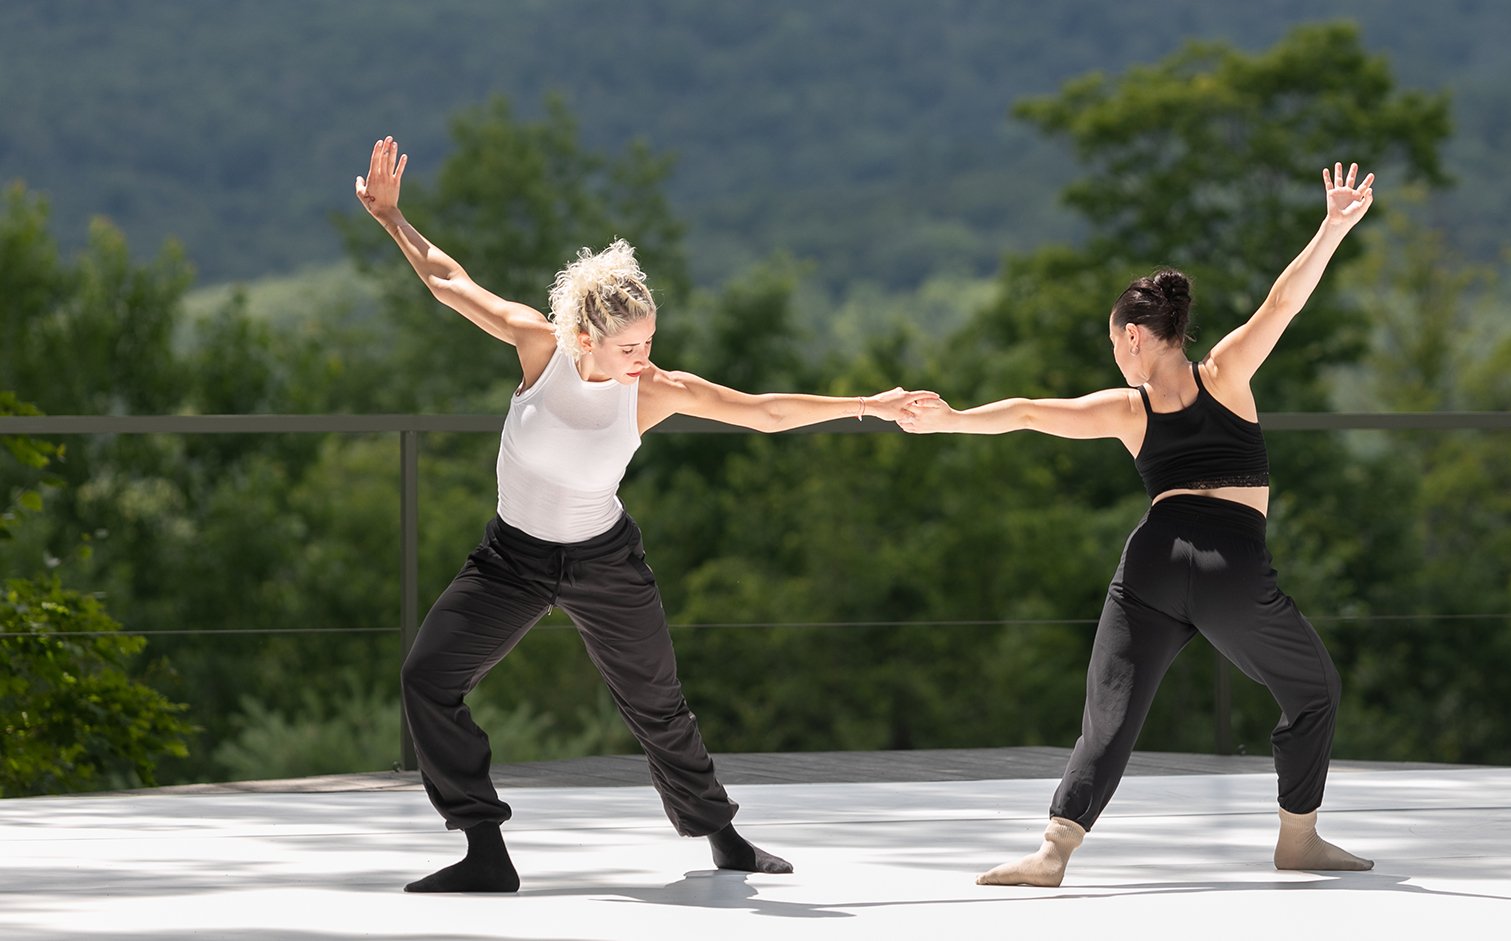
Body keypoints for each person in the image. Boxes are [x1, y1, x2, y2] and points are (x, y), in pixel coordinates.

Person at [354, 135, 936, 893]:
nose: (645, 355)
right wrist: (392, 219)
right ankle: (484, 849)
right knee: (428, 678)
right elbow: (449, 280)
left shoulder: (653, 389)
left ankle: (722, 834)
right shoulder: (540, 349)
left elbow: (761, 411)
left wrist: (868, 404)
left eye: (650, 340)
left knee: (658, 705)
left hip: (603, 560)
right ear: (587, 335)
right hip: (511, 560)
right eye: (632, 344)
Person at [899, 161, 1378, 885]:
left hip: (1152, 561)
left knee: (1110, 714)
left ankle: (1053, 851)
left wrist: (953, 421)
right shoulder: (1226, 375)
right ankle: (1297, 837)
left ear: (1132, 338)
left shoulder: (1130, 411)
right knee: (1314, 689)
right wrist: (1332, 227)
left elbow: (1029, 410)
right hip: (1230, 565)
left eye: (1112, 340)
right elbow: (1282, 303)